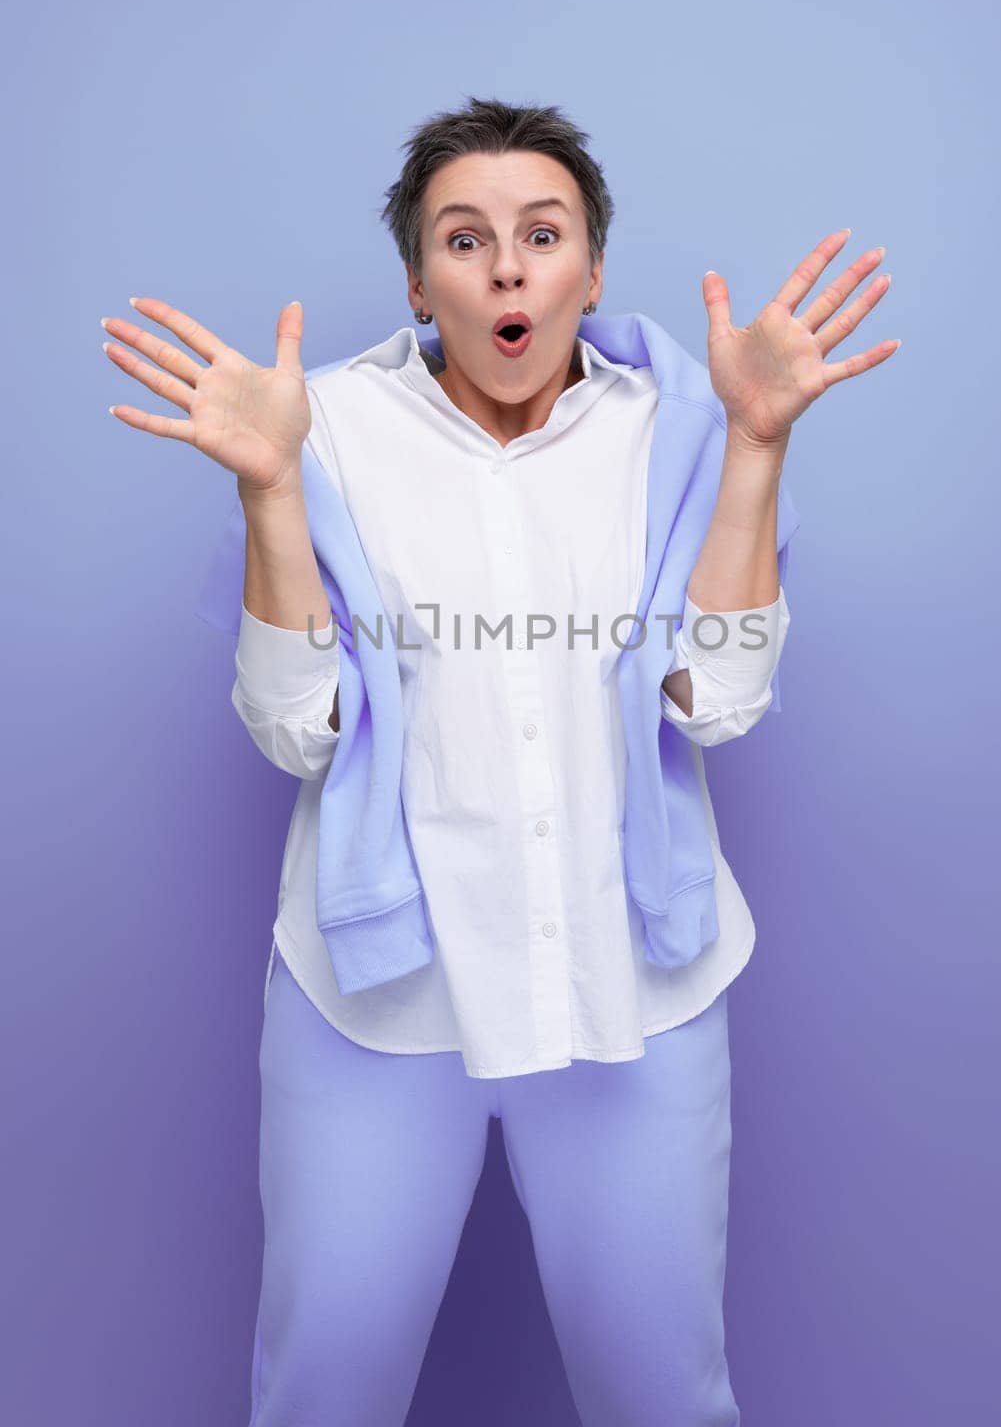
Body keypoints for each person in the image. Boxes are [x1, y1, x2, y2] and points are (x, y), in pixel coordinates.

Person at [102, 96, 898, 1426]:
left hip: (630, 989)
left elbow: (720, 704)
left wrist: (756, 447)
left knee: (665, 1397)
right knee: (321, 1393)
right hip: (375, 1002)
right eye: (466, 240)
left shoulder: (683, 427)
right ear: (422, 283)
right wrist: (270, 494)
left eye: (545, 233)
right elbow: (298, 728)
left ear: (590, 268)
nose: (510, 265)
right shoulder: (329, 431)